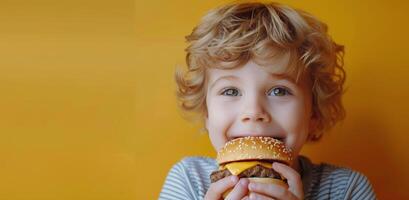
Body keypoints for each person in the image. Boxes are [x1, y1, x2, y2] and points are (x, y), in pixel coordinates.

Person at [159, 1, 376, 199]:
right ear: (206, 112)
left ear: (314, 113)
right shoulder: (188, 180)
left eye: (279, 91)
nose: (253, 111)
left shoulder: (347, 188)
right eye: (231, 91)